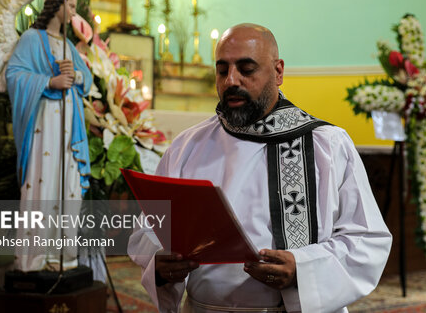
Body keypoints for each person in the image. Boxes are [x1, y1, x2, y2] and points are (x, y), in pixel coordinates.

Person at [128, 23, 391, 312]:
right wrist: (160, 261)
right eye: (222, 69)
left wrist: (301, 269)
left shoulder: (327, 145)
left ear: (278, 72)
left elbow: (367, 240)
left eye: (246, 68)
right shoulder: (186, 147)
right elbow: (148, 229)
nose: (231, 80)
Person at [6, 0, 93, 272]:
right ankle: (35, 259)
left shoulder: (68, 44)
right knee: (43, 182)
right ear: (55, 6)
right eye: (69, 6)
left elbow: (87, 79)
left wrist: (75, 74)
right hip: (44, 123)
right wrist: (48, 82)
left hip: (69, 125)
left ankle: (62, 257)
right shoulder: (32, 39)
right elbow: (14, 75)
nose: (72, 12)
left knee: (67, 185)